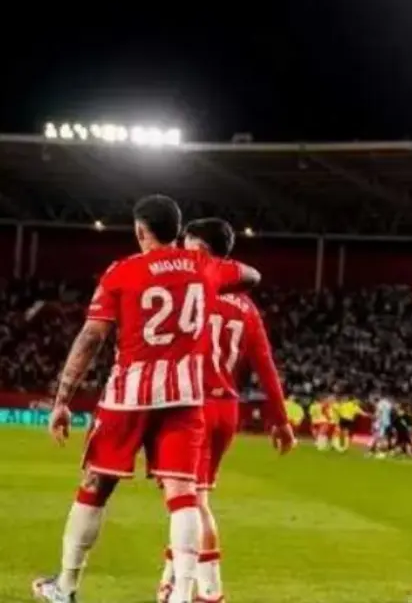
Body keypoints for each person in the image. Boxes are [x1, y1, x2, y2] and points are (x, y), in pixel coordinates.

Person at [32, 195, 261, 603]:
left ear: (141, 230)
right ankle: (182, 595)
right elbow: (252, 276)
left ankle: (65, 586)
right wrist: (210, 275)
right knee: (183, 494)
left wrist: (63, 398)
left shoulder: (123, 272)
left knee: (94, 486)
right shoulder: (205, 267)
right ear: (177, 231)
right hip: (186, 398)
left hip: (129, 396)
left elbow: (91, 338)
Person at [156, 217, 294, 603]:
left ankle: (210, 594)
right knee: (191, 500)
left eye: (187, 244)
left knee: (191, 503)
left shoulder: (189, 293)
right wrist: (281, 421)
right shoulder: (247, 308)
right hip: (226, 409)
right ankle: (169, 583)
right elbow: (265, 366)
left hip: (191, 407)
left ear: (199, 249)